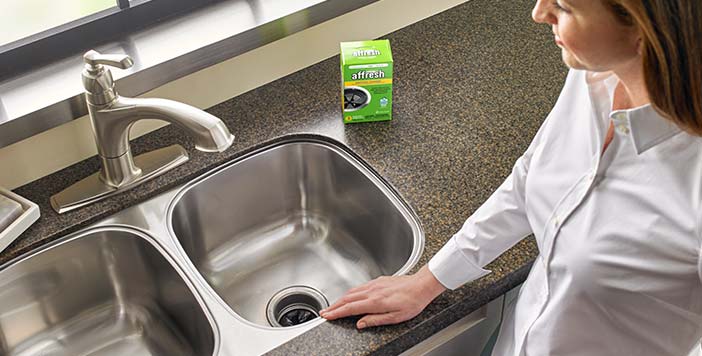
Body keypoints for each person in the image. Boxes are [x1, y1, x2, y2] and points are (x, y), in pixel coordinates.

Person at [320, 0, 702, 355]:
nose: (539, 12)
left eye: (565, 7)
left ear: (645, 28)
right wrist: (428, 281)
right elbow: (529, 180)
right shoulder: (591, 77)